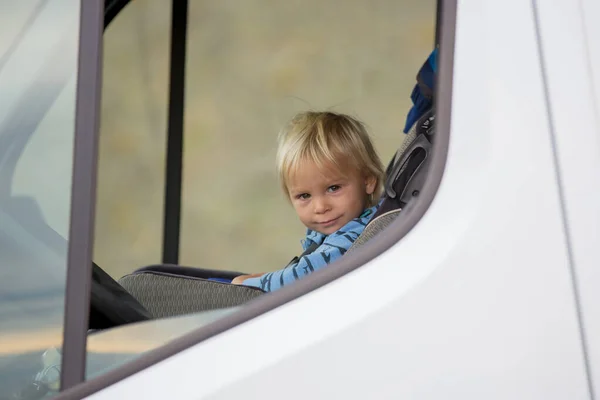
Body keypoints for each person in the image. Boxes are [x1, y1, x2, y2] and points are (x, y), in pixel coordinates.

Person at [231, 111, 385, 292]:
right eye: (304, 196)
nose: (320, 207)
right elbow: (303, 269)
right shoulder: (342, 230)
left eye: (334, 188)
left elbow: (302, 277)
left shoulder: (355, 237)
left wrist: (243, 284)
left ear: (368, 181)